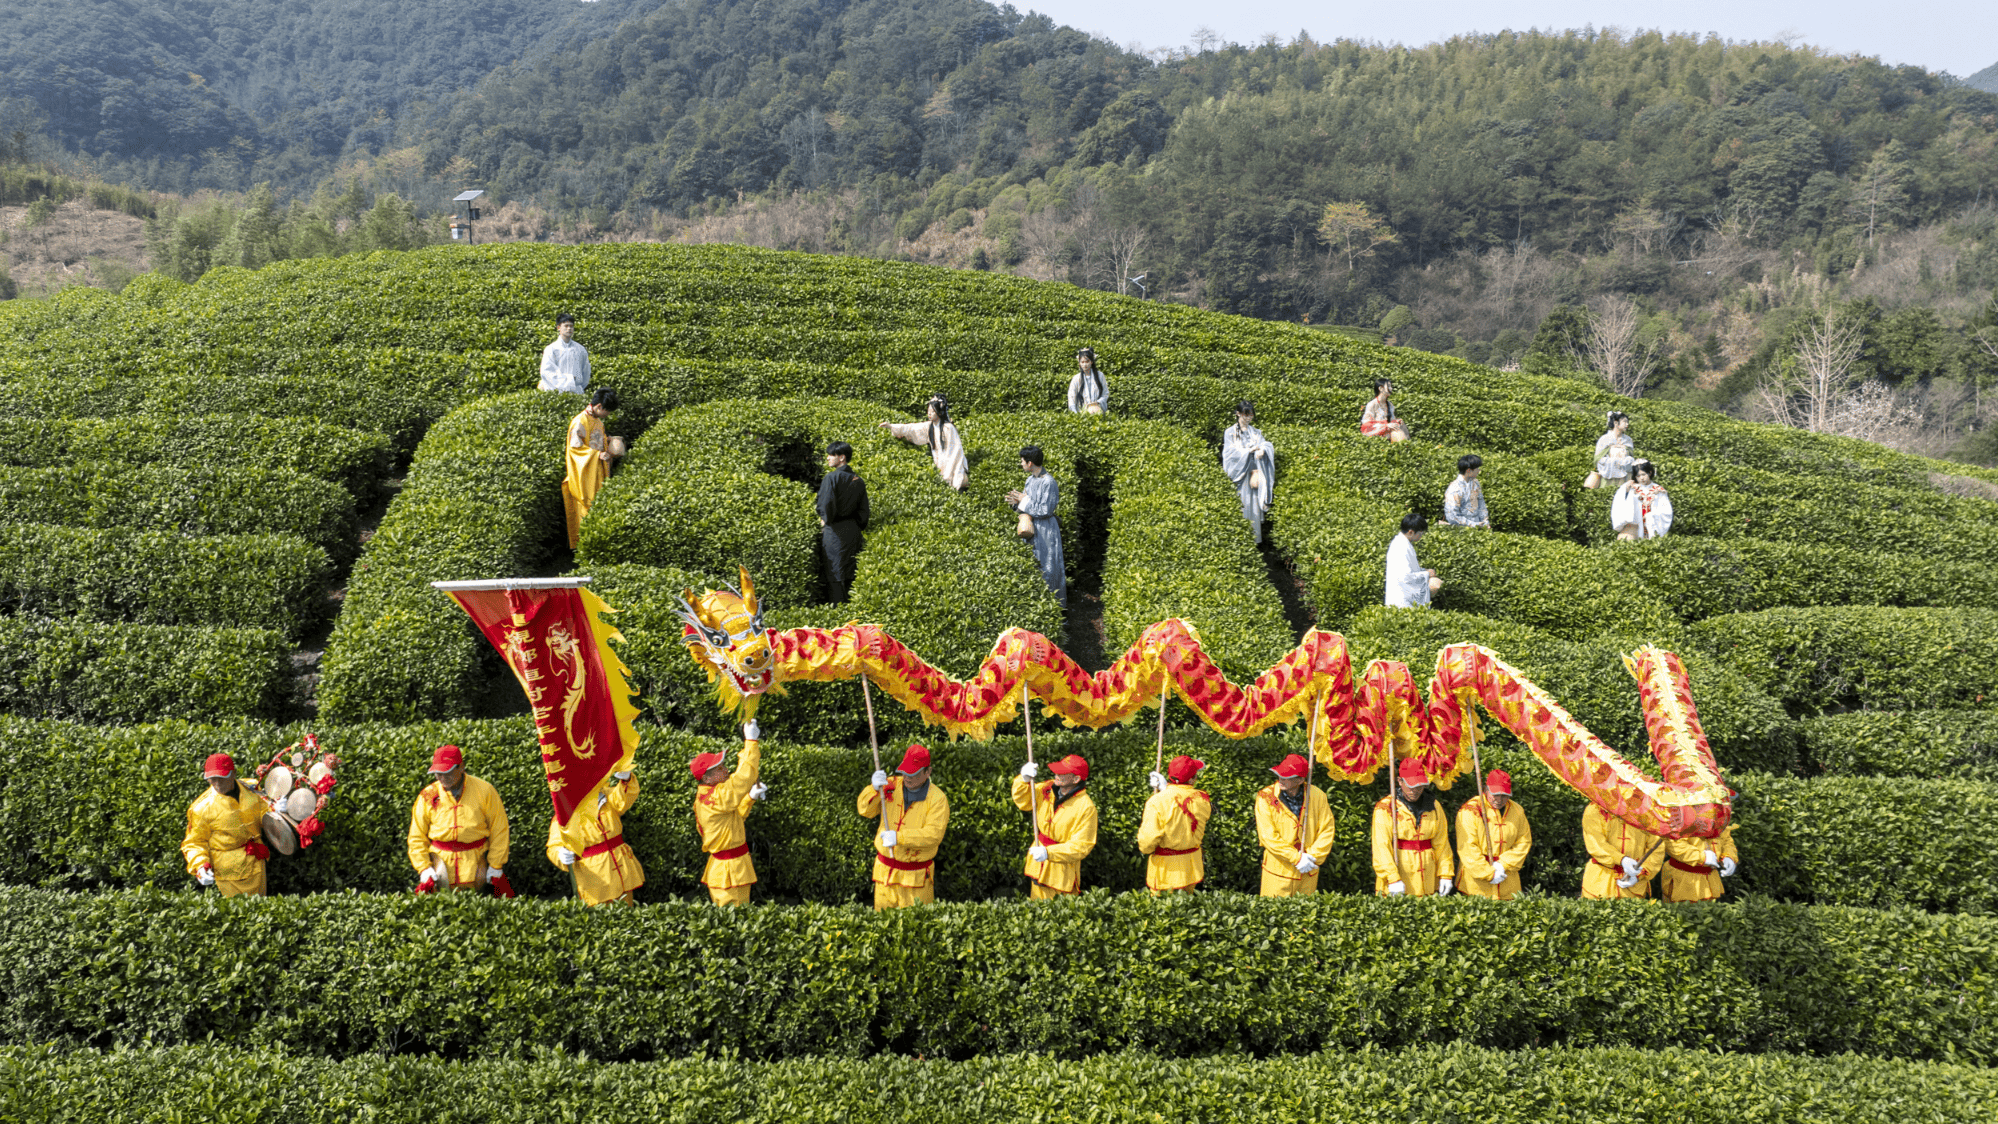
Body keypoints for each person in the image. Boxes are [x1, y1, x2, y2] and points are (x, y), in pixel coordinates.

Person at [407, 744, 513, 897]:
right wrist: (424, 867)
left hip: (477, 867)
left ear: (461, 767)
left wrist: (496, 865)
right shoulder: (427, 795)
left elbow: (499, 829)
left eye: (448, 773)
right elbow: (416, 836)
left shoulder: (485, 791)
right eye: (438, 773)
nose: (443, 778)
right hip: (439, 869)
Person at [858, 743, 951, 909]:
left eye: (914, 774)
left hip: (916, 880)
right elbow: (865, 811)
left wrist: (898, 837)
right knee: (882, 927)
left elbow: (933, 835)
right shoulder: (890, 785)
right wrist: (872, 789)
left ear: (928, 772)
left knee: (917, 929)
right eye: (905, 771)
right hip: (885, 876)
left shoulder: (938, 799)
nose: (907, 777)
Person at [687, 721, 769, 905]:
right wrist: (751, 741)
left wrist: (750, 797)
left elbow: (734, 818)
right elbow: (742, 778)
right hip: (728, 872)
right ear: (706, 778)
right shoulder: (715, 797)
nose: (726, 771)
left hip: (732, 868)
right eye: (720, 769)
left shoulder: (711, 796)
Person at [547, 765, 646, 906]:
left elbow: (624, 797)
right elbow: (554, 847)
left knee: (627, 917)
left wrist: (626, 779)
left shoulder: (606, 796)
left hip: (621, 869)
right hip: (594, 879)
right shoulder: (565, 814)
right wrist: (560, 854)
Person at [181, 753, 271, 897]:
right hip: (227, 872)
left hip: (256, 861)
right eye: (211, 778)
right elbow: (194, 842)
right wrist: (200, 865)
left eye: (221, 777)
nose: (216, 782)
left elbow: (265, 813)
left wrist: (276, 808)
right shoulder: (201, 808)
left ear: (233, 773)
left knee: (260, 907)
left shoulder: (252, 788)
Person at [1011, 753, 1098, 898]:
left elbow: (1082, 846)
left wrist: (1049, 853)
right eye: (1057, 770)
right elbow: (1024, 800)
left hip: (1061, 873)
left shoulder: (1086, 807)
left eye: (1063, 772)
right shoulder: (1047, 787)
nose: (1056, 773)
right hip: (1038, 864)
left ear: (1076, 779)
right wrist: (1023, 779)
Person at [1254, 752, 1336, 897]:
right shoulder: (1265, 797)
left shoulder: (1318, 796)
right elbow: (1268, 836)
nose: (1281, 779)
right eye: (1279, 774)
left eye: (1286, 777)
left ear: (1300, 780)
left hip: (1307, 872)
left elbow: (1327, 830)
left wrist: (1312, 857)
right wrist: (1296, 858)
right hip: (1277, 873)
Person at [1371, 758, 1454, 896]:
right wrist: (1392, 878)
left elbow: (1442, 843)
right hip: (1398, 878)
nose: (1415, 790)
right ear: (1400, 781)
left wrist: (1446, 874)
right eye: (1411, 785)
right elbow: (1381, 847)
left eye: (1420, 786)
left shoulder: (1434, 806)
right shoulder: (1386, 808)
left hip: (1428, 878)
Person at [1453, 769, 1531, 901]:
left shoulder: (1517, 810)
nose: (1499, 799)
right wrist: (1488, 873)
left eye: (1504, 795)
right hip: (1475, 883)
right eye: (1495, 794)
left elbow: (1524, 842)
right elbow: (1467, 847)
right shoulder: (1470, 810)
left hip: (1507, 880)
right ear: (1485, 789)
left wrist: (1503, 864)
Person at [1137, 754, 1211, 892]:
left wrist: (1165, 792)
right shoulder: (1203, 799)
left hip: (1165, 870)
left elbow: (1147, 841)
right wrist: (1167, 790)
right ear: (1192, 779)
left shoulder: (1156, 802)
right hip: (1191, 867)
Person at [562, 387, 624, 550]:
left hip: (597, 471)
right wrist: (597, 455)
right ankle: (585, 548)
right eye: (607, 411)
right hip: (584, 472)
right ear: (599, 407)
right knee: (585, 506)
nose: (607, 415)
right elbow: (575, 448)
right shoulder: (579, 421)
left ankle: (598, 546)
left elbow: (598, 441)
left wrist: (608, 441)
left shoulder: (598, 422)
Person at [1006, 445, 1065, 605]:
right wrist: (1016, 504)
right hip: (1031, 526)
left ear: (1030, 463)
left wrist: (1024, 500)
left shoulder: (1049, 482)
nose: (1021, 464)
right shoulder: (1030, 479)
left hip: (1045, 529)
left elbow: (1045, 509)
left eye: (1022, 461)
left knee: (1048, 566)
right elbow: (1026, 505)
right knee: (1034, 566)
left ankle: (1055, 608)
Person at [817, 441, 871, 602]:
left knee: (835, 572)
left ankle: (837, 612)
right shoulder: (858, 480)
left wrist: (825, 519)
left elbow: (825, 504)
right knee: (851, 571)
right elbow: (864, 511)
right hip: (853, 530)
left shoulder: (831, 478)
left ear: (842, 458)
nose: (827, 458)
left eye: (831, 455)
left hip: (834, 531)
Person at [878, 395, 967, 491]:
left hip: (952, 462)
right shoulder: (929, 426)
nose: (929, 414)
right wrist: (891, 426)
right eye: (928, 411)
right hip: (939, 462)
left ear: (939, 412)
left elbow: (955, 451)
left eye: (932, 411)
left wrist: (950, 467)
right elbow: (911, 428)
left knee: (956, 483)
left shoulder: (948, 428)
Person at [1580, 802, 1665, 900]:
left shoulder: (1649, 813)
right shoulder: (1595, 809)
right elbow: (1596, 843)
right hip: (1600, 884)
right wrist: (1621, 859)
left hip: (1633, 887)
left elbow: (1656, 849)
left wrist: (1639, 873)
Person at [1221, 400, 1276, 543]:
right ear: (1238, 414)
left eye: (1251, 415)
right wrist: (1248, 451)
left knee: (1254, 504)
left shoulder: (1255, 432)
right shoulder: (1230, 432)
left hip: (1254, 471)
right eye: (1246, 414)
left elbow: (1265, 443)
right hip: (1240, 473)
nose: (1249, 418)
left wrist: (1263, 449)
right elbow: (1229, 453)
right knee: (1242, 503)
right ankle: (1241, 540)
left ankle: (1254, 540)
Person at [1661, 824, 1739, 903]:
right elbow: (1672, 842)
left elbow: (1726, 840)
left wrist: (1729, 856)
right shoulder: (1679, 814)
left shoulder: (1719, 814)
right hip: (1683, 878)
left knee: (1708, 912)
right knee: (1680, 912)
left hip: (1710, 878)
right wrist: (1702, 857)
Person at [1385, 512, 1441, 608]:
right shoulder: (1401, 546)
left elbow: (1410, 570)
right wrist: (1427, 574)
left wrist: (1425, 571)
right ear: (1411, 532)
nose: (1421, 536)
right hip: (1401, 600)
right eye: (1420, 533)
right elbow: (1406, 577)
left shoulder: (1402, 543)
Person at [1610, 460, 1673, 541]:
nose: (1642, 478)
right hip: (1637, 525)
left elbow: (1666, 511)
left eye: (1643, 474)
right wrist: (1625, 489)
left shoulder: (1658, 490)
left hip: (1652, 524)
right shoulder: (1633, 488)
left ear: (1650, 473)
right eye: (1638, 476)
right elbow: (1620, 502)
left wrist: (1653, 515)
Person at [538, 313, 591, 395]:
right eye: (566, 326)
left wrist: (575, 384)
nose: (569, 328)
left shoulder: (580, 349)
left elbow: (586, 373)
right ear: (559, 327)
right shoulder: (551, 349)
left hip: (576, 392)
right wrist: (570, 380)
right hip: (555, 393)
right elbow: (547, 372)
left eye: (571, 326)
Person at [1443, 454, 1491, 529]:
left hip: (1479, 526)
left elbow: (1481, 505)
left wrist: (1485, 522)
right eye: (1477, 469)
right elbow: (1452, 515)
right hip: (1462, 529)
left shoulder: (1476, 483)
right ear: (1468, 470)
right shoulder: (1454, 488)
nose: (1479, 471)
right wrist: (1474, 524)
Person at [1593, 411, 1635, 489]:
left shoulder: (1628, 440)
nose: (1627, 424)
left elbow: (1631, 456)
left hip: (1624, 476)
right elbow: (1598, 459)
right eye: (1624, 422)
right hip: (1609, 475)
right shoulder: (1604, 439)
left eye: (1627, 422)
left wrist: (1628, 460)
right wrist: (1613, 461)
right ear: (1616, 423)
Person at [1066, 348, 1109, 415]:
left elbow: (1105, 393)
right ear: (1079, 363)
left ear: (1091, 362)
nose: (1085, 365)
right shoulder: (1076, 378)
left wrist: (1097, 403)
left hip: (1097, 411)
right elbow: (1071, 397)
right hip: (1081, 413)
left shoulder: (1100, 375)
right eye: (1082, 362)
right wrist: (1075, 413)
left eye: (1087, 361)